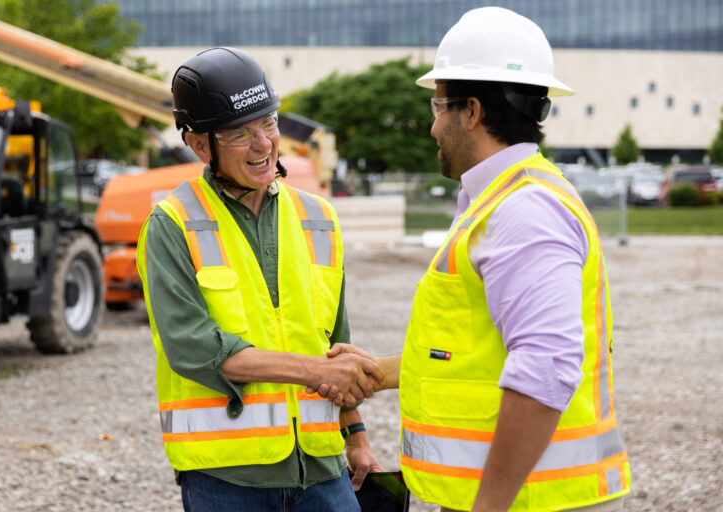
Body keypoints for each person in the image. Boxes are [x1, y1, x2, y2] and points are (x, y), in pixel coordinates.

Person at [315, 7, 631, 512]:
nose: (433, 125)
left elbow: (546, 366)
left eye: (438, 106)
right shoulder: (501, 199)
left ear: (472, 112)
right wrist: (381, 371)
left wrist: (488, 506)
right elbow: (474, 351)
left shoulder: (525, 210)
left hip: (531, 502)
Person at [136, 47, 384, 512]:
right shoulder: (171, 223)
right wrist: (313, 371)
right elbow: (192, 346)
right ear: (198, 144)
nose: (264, 143)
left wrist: (356, 436)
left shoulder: (318, 217)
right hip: (227, 478)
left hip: (324, 470)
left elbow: (336, 342)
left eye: (268, 123)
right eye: (238, 133)